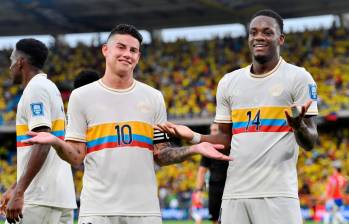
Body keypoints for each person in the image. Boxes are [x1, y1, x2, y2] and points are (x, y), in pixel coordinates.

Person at [22, 24, 231, 224]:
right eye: (120, 47)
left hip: (144, 211)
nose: (127, 54)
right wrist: (56, 143)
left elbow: (162, 154)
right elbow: (76, 156)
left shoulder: (153, 97)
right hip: (98, 210)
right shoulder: (81, 97)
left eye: (133, 50)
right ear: (105, 50)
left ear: (138, 56)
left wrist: (194, 148)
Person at [156, 9, 318, 224]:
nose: (259, 36)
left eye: (267, 32)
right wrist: (194, 136)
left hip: (277, 194)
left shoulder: (299, 77)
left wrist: (299, 127)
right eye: (254, 32)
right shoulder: (229, 82)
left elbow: (311, 141)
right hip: (235, 193)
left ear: (280, 39)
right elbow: (226, 139)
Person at [0, 38, 76, 223]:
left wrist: (20, 192)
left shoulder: (36, 89)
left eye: (11, 61)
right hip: (55, 195)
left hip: (40, 198)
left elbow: (43, 144)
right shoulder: (48, 87)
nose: (10, 67)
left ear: (20, 62)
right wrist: (15, 187)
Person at [194, 123, 228, 224]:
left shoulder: (231, 146)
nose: (212, 133)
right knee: (214, 219)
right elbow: (202, 171)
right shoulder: (208, 149)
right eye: (211, 130)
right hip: (214, 188)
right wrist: (198, 190)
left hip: (229, 187)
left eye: (215, 130)